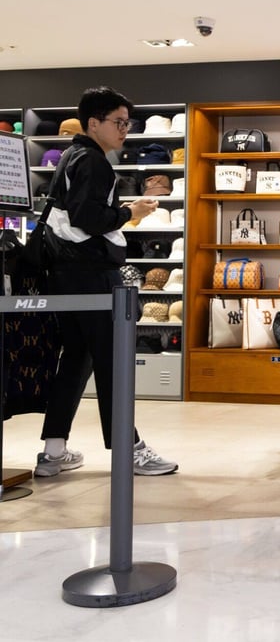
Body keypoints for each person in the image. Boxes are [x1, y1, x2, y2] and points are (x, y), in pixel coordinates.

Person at [35, 86, 178, 478]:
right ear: (93, 123)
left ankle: (53, 451)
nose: (124, 130)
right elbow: (89, 218)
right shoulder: (93, 161)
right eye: (118, 122)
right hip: (92, 273)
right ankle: (129, 449)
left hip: (66, 273)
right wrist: (130, 212)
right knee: (113, 360)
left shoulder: (71, 156)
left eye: (127, 123)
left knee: (76, 358)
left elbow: (77, 214)